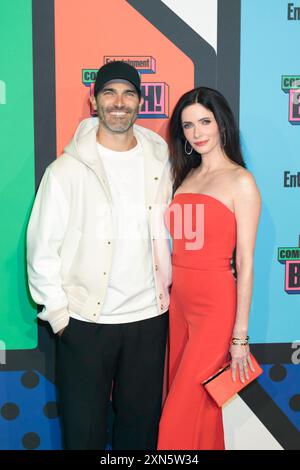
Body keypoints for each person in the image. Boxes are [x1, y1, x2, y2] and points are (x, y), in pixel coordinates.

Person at [27, 61, 173, 450]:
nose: (119, 102)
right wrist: (60, 317)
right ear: (94, 101)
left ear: (141, 101)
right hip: (85, 324)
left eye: (128, 93)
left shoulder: (163, 162)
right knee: (83, 433)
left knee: (140, 432)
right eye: (109, 92)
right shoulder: (65, 171)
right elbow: (41, 249)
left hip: (149, 319)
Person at [157, 87, 261, 450]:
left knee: (179, 412)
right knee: (199, 410)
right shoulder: (183, 177)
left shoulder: (240, 181)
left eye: (205, 121)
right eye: (188, 126)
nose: (197, 133)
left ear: (222, 125)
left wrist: (239, 337)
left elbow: (246, 262)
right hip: (178, 305)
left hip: (216, 308)